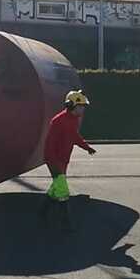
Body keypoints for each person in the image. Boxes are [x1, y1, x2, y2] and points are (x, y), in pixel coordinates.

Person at [39, 90, 96, 230]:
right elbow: (49, 144)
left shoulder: (74, 120)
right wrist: (54, 163)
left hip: (63, 160)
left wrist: (86, 147)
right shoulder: (58, 120)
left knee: (55, 188)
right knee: (63, 192)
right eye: (81, 106)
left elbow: (74, 136)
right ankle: (66, 223)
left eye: (83, 106)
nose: (83, 109)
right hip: (54, 160)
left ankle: (42, 213)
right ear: (71, 105)